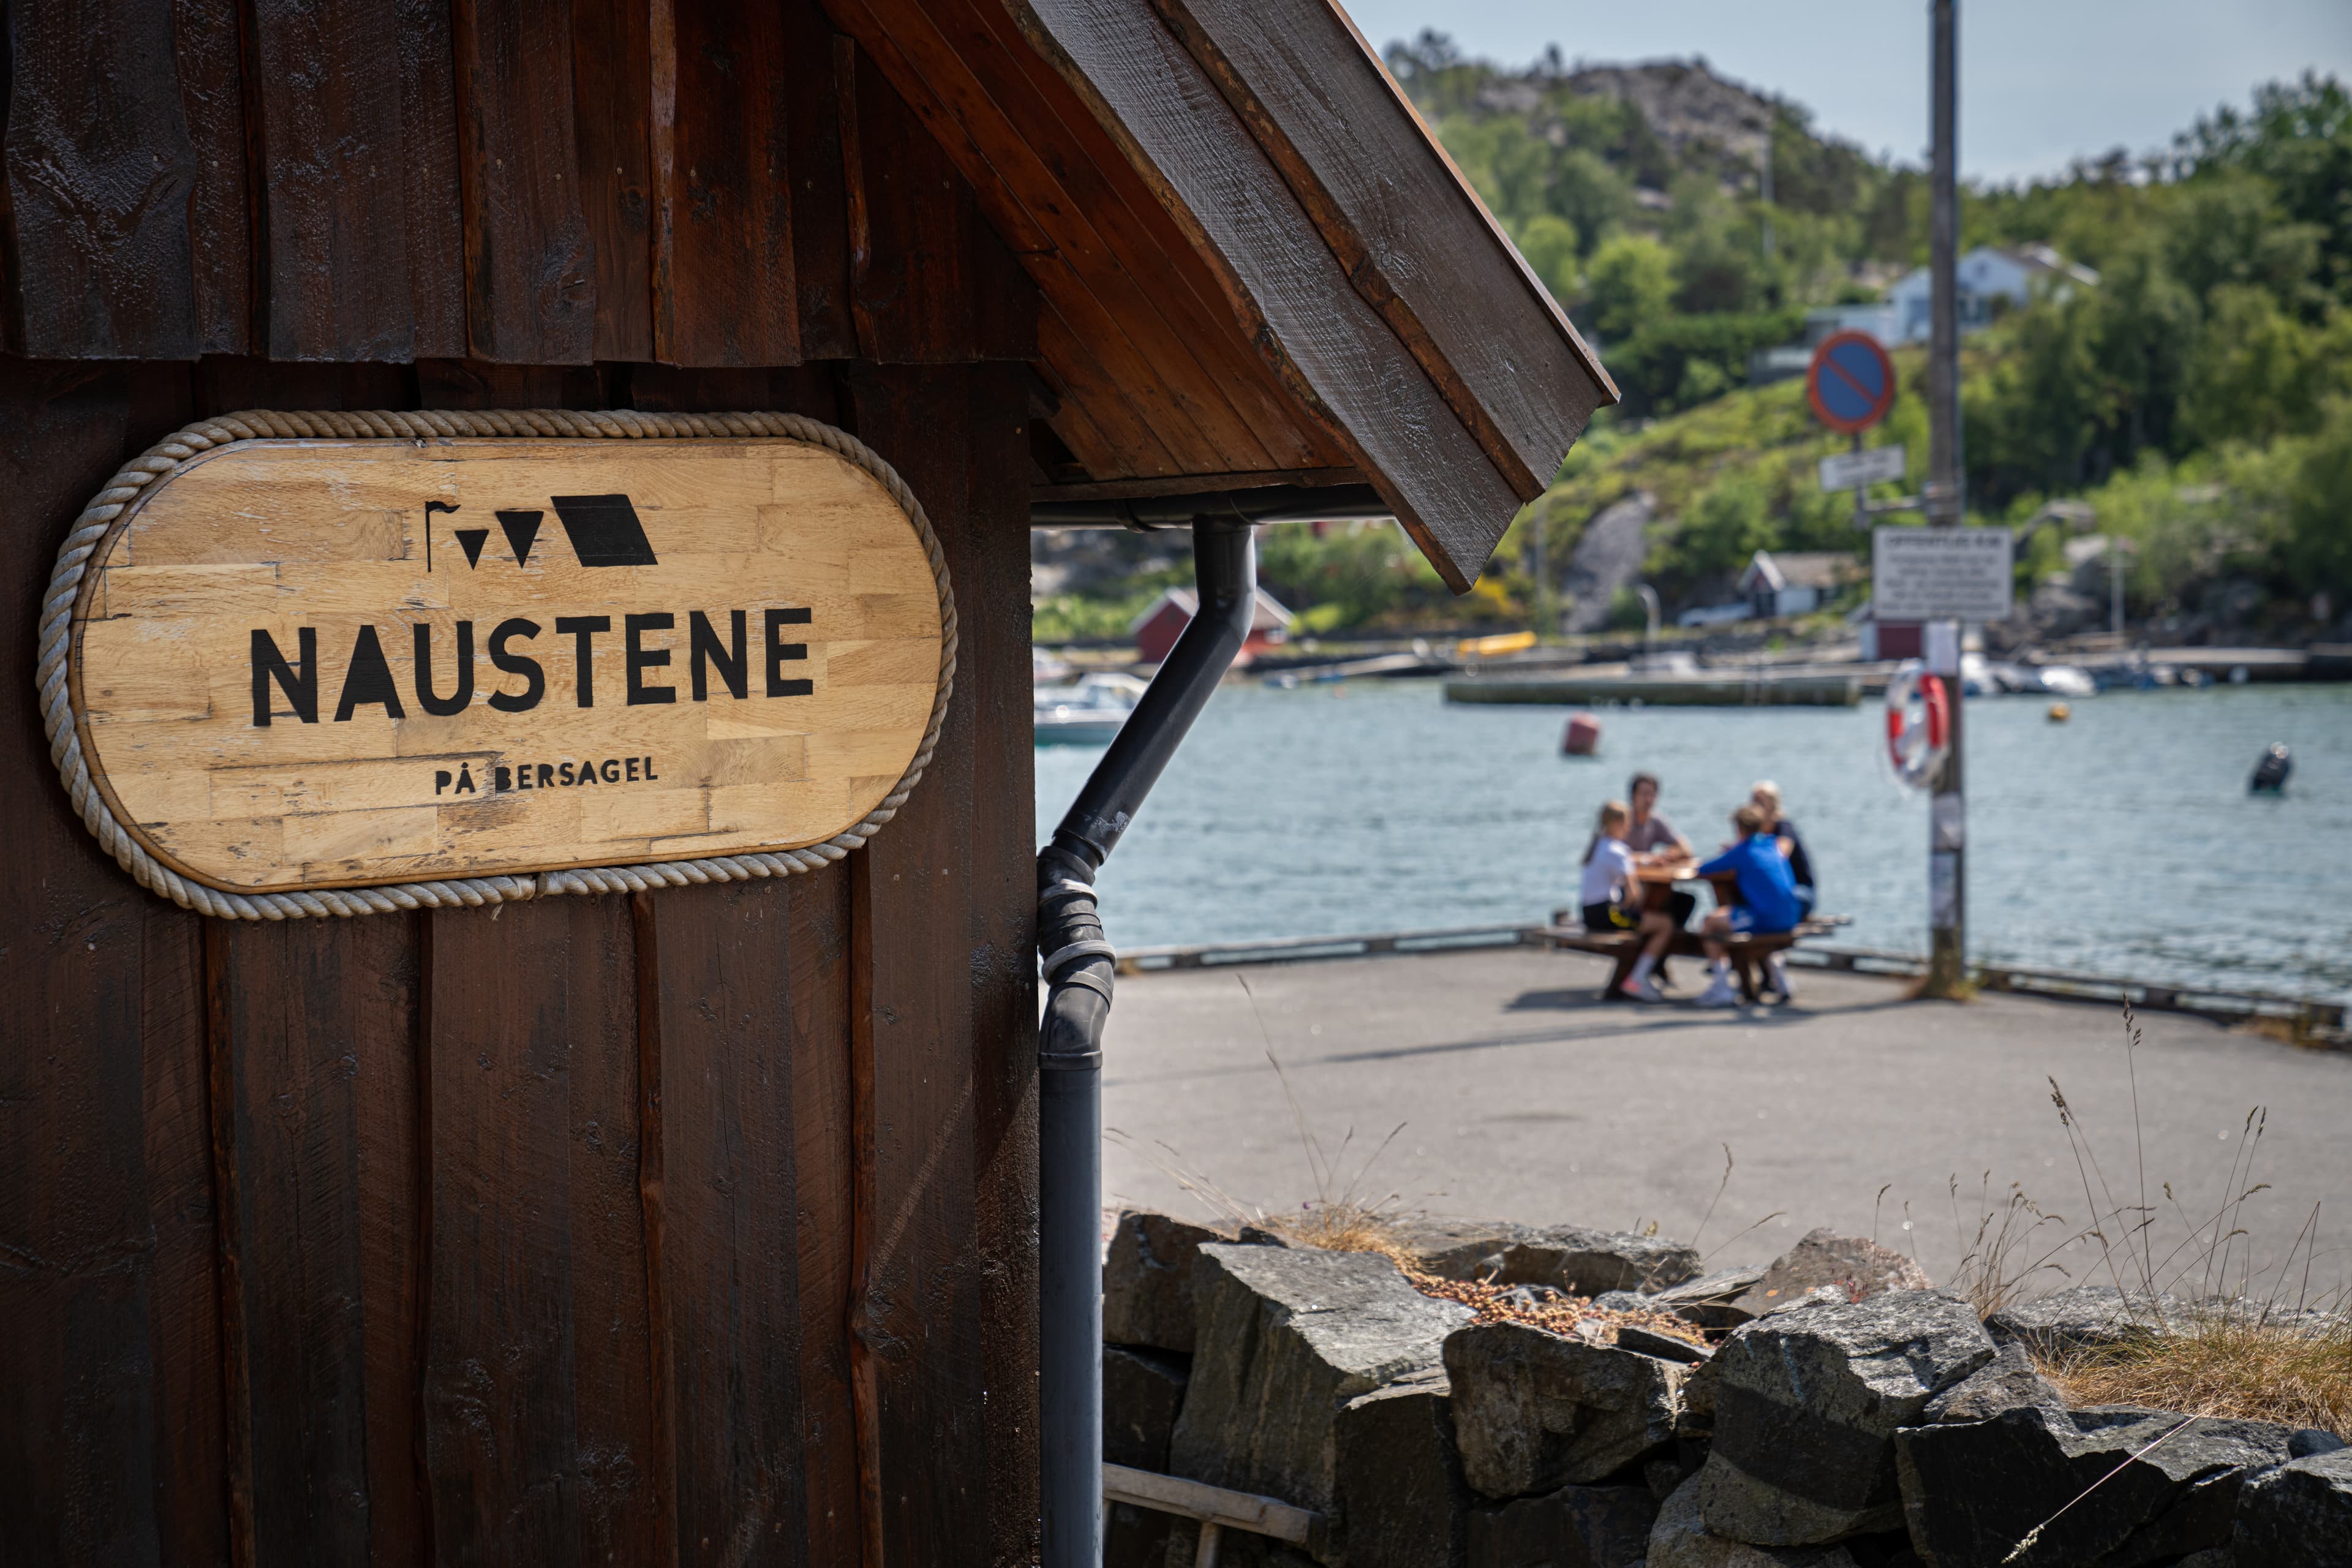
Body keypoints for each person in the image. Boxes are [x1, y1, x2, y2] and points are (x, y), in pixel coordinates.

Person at [1692, 802, 1803, 1008]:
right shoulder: (1772, 845)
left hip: (1766, 918)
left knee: (1709, 923)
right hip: (1792, 915)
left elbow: (1703, 869)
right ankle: (1781, 982)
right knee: (1746, 921)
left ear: (1739, 829)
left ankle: (1721, 986)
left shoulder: (1743, 850)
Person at [1579, 801, 1676, 1001]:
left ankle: (1641, 974)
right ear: (1616, 824)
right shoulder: (1618, 850)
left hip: (1590, 913)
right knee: (1664, 925)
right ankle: (1638, 979)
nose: (1629, 828)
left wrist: (1646, 860)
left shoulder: (1598, 845)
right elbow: (1634, 894)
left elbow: (1628, 859)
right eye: (1626, 824)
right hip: (1608, 915)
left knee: (1643, 921)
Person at [1749, 781, 1814, 1000]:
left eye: (1760, 801)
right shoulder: (1756, 833)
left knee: (1765, 912)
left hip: (1800, 892)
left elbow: (1779, 856)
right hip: (1775, 896)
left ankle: (1771, 973)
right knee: (1751, 908)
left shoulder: (1783, 827)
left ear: (1773, 804)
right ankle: (1770, 974)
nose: (1755, 805)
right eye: (1753, 800)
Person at [1624, 771, 1697, 931]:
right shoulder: (1623, 821)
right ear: (1633, 796)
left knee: (1686, 902)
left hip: (1649, 882)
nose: (1648, 800)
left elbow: (1685, 847)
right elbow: (1615, 854)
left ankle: (1661, 947)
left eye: (1652, 794)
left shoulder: (1655, 820)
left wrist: (1670, 854)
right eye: (1644, 794)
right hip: (1625, 887)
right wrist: (1649, 859)